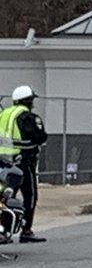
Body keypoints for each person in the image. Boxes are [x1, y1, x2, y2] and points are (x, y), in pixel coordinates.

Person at [0, 85, 49, 242]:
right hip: (23, 162)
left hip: (3, 162)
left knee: (5, 195)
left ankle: (4, 227)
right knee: (30, 195)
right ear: (27, 101)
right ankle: (26, 230)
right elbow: (40, 137)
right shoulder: (27, 117)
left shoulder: (4, 114)